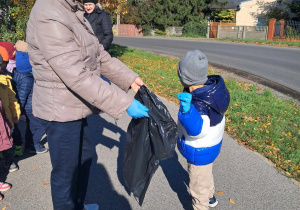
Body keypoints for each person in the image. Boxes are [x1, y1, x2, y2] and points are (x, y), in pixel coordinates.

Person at [26, 0, 149, 209]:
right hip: (60, 110)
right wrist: (124, 103)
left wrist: (129, 79)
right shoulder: (49, 13)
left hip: (75, 105)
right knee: (66, 174)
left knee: (84, 160)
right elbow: (76, 75)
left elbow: (98, 55)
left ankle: (78, 205)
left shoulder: (72, 10)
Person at [176, 50, 230, 210]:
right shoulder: (212, 92)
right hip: (210, 147)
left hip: (199, 149)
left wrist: (187, 112)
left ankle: (203, 204)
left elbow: (198, 130)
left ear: (185, 78)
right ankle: (210, 196)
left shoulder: (199, 104)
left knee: (198, 185)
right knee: (206, 174)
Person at [13, 40, 47, 154]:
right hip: (30, 109)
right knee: (42, 126)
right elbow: (22, 97)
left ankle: (30, 145)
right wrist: (18, 112)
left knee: (31, 127)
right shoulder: (27, 79)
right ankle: (35, 144)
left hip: (28, 109)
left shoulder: (16, 73)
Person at [0, 42, 23, 156]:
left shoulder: (6, 79)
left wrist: (16, 113)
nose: (4, 67)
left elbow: (12, 99)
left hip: (7, 118)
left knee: (7, 137)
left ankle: (8, 159)